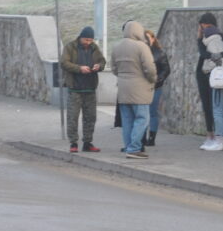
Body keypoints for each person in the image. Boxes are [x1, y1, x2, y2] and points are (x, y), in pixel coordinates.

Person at [111, 20, 157, 159]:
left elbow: (114, 68)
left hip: (123, 89)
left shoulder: (116, 46)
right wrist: (153, 79)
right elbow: (149, 67)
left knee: (127, 120)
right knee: (142, 118)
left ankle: (128, 146)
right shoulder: (141, 47)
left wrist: (123, 77)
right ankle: (134, 148)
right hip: (140, 89)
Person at [60, 25, 106, 153]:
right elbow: (64, 63)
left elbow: (102, 61)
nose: (88, 42)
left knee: (90, 117)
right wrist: (79, 68)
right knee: (72, 117)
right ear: (80, 38)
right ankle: (73, 143)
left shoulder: (94, 48)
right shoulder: (70, 47)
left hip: (90, 88)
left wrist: (99, 66)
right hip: (75, 88)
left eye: (90, 40)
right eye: (86, 40)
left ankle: (88, 142)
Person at [196, 12, 223, 151]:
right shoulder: (220, 37)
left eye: (202, 26)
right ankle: (222, 140)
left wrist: (214, 55)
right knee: (222, 110)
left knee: (217, 110)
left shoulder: (212, 38)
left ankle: (217, 139)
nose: (202, 29)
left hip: (216, 77)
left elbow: (205, 55)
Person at [143, 29, 171, 147]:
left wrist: (158, 79)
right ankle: (142, 137)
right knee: (142, 112)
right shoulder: (140, 52)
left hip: (156, 87)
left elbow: (166, 69)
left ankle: (152, 137)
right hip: (142, 87)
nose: (146, 41)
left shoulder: (159, 53)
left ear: (153, 39)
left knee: (152, 112)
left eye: (148, 38)